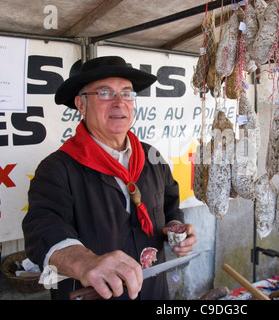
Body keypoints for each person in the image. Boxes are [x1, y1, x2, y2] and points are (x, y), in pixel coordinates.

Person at [22, 56, 197, 300]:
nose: (119, 103)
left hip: (154, 293)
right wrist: (85, 262)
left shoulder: (151, 156)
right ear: (81, 105)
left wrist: (174, 229)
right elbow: (41, 226)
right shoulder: (57, 168)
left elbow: (169, 204)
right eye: (105, 94)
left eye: (127, 93)